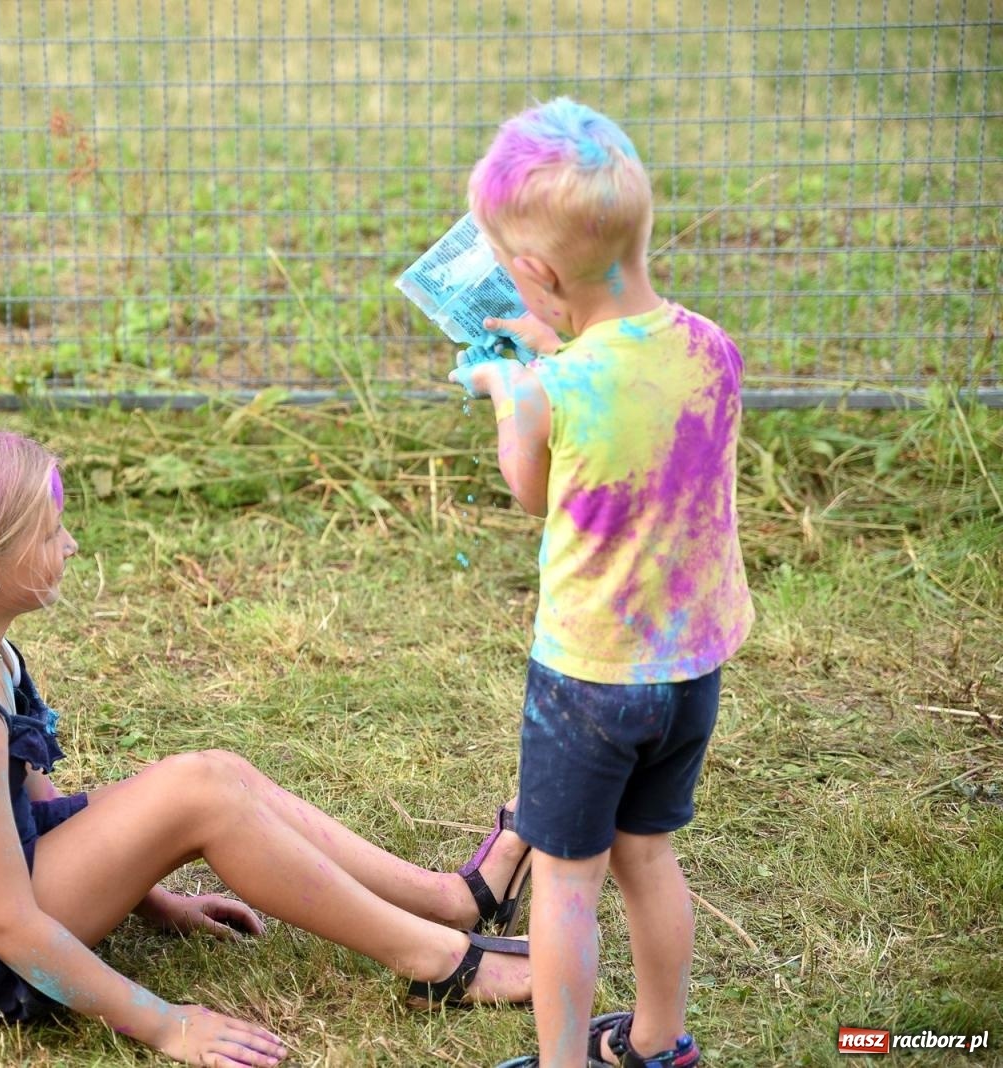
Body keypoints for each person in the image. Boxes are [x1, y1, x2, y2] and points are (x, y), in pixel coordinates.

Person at [0, 426, 536, 1067]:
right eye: (50, 532)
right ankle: (440, 963)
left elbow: (30, 808)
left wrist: (149, 895)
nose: (69, 543)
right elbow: (7, 924)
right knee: (201, 796)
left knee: (215, 776)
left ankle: (453, 902)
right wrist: (168, 1026)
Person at [455, 99, 752, 1068]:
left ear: (536, 275)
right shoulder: (711, 350)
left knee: (568, 885)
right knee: (647, 857)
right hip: (686, 673)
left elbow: (534, 489)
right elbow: (633, 406)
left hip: (587, 681)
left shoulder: (549, 391)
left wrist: (510, 394)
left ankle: (561, 1063)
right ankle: (659, 1042)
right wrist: (556, 357)